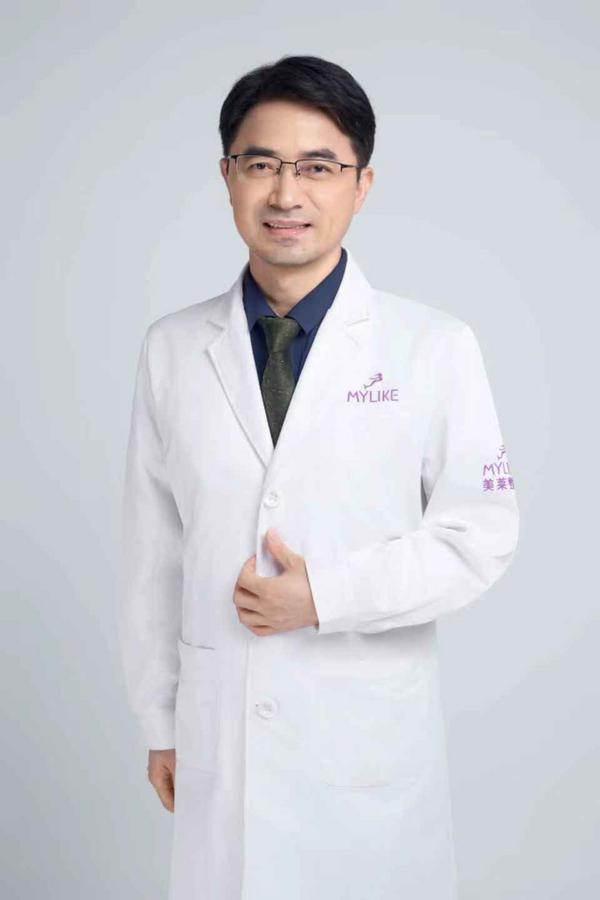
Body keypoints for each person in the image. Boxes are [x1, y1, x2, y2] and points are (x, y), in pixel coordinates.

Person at [118, 54, 519, 900]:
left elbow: (480, 537)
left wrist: (325, 596)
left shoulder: (434, 347)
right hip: (220, 736)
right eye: (261, 163)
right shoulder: (172, 350)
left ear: (362, 184)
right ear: (227, 176)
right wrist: (160, 721)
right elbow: (154, 555)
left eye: (318, 167)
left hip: (363, 748)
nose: (285, 193)